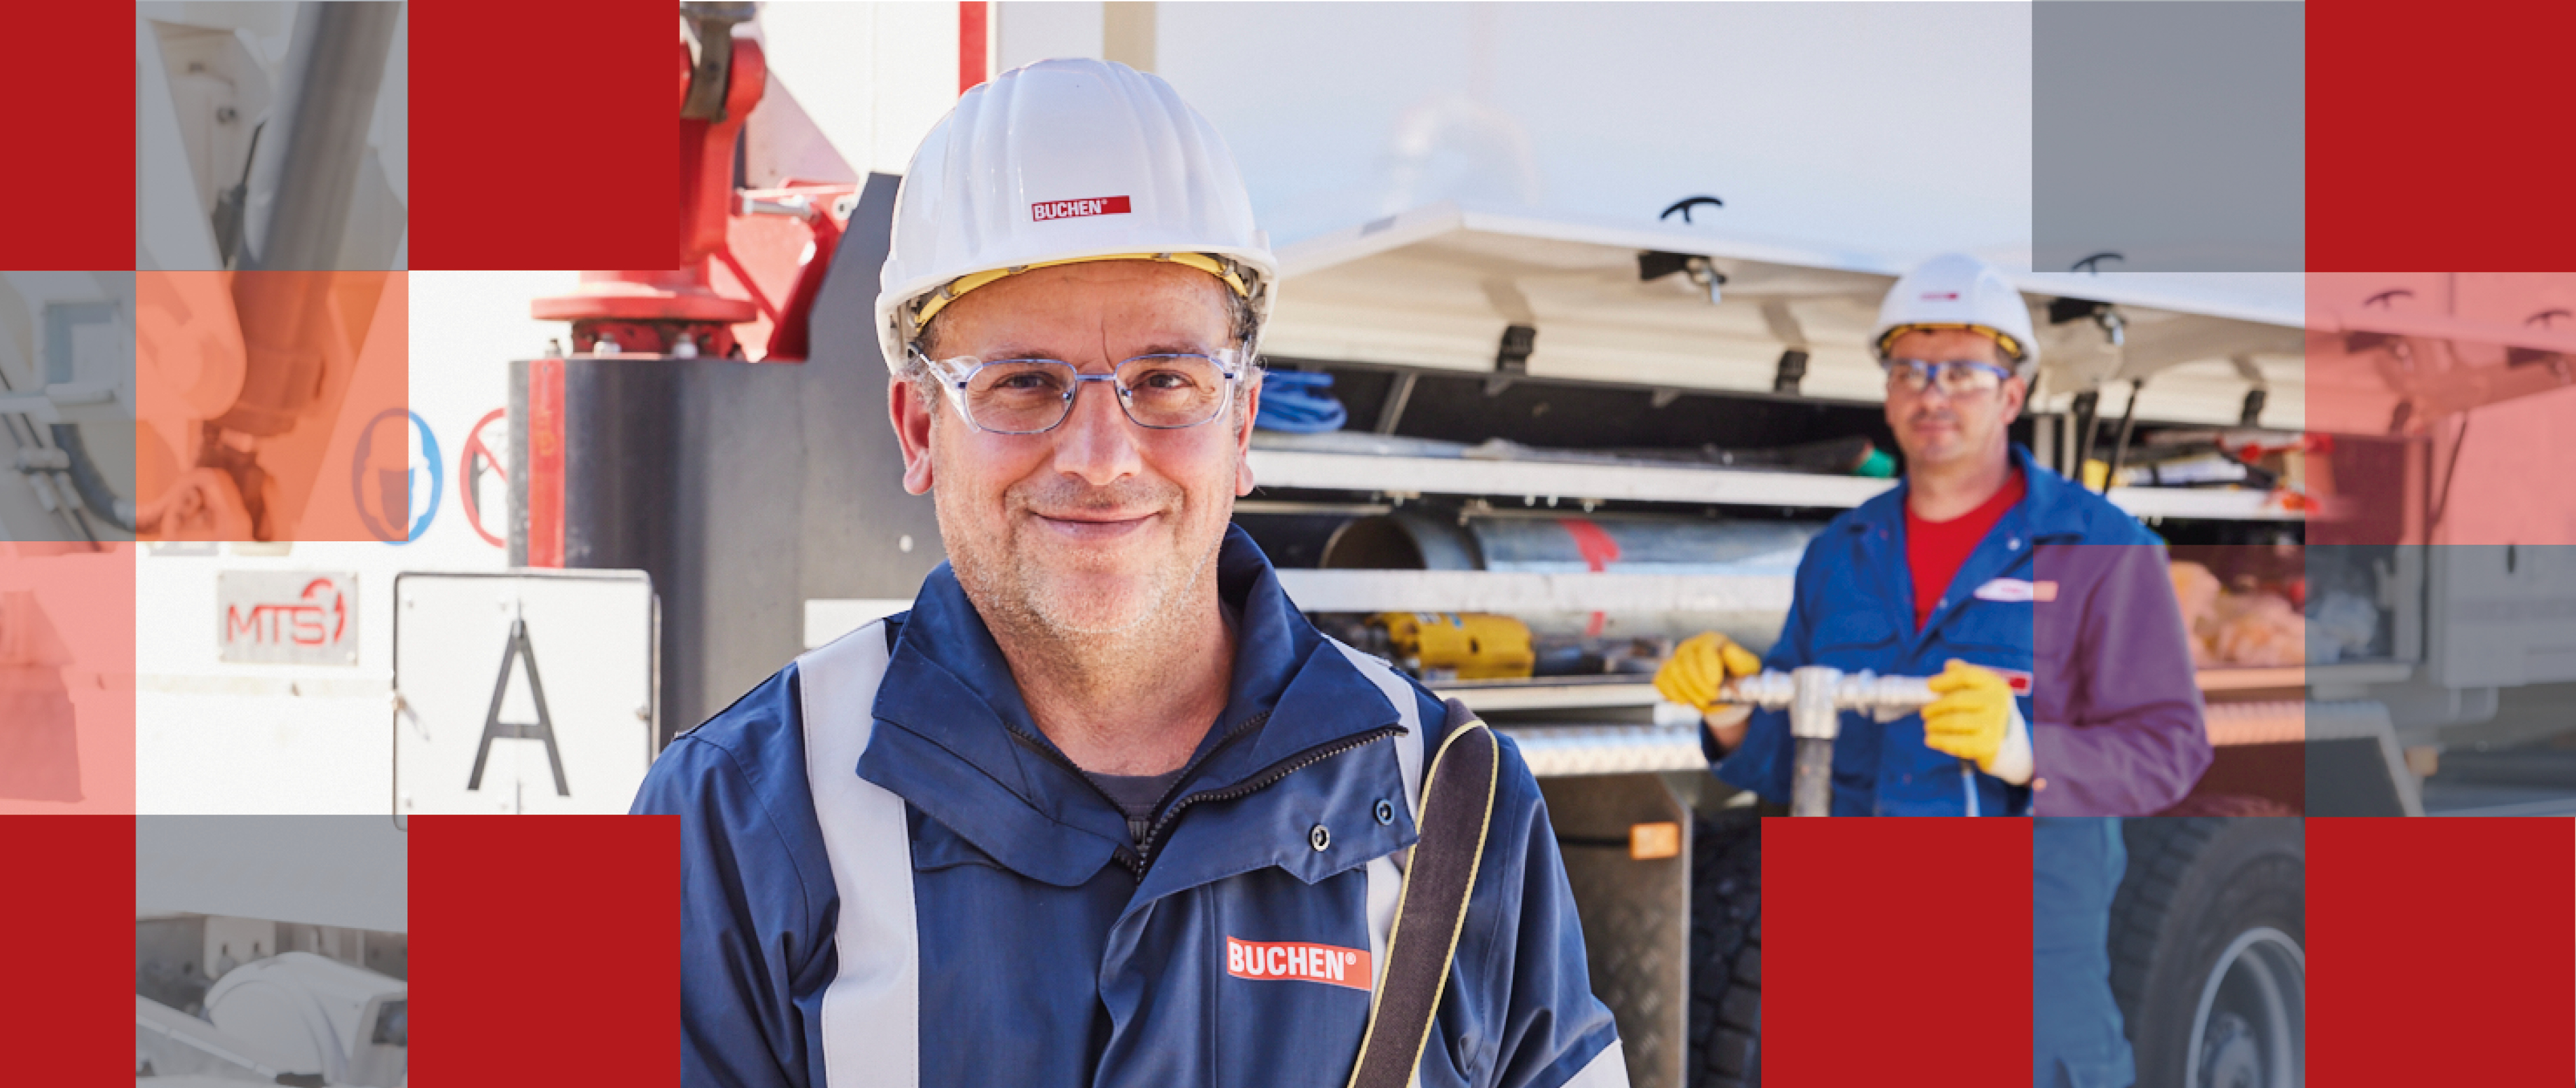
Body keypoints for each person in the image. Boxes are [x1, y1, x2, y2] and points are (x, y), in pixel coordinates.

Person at [631, 58, 1626, 1088]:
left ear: (1242, 424)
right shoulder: (731, 817)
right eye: (1022, 383)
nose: (1101, 458)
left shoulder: (1456, 806)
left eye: (1165, 380)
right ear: (919, 427)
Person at [1650, 254, 2213, 1087]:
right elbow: (1790, 765)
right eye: (1909, 368)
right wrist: (1733, 709)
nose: (1932, 391)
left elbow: (2171, 750)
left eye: (1962, 369)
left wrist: (2026, 751)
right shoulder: (1840, 556)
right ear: (1886, 393)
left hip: (2027, 979)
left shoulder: (2103, 548)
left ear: (2011, 393)